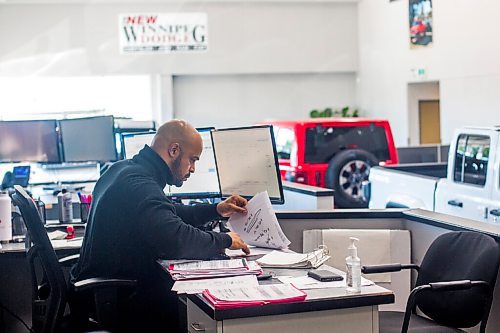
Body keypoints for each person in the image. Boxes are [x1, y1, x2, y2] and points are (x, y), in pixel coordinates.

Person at [71, 119, 250, 332]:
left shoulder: (123, 169)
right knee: (192, 311)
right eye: (192, 160)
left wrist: (216, 210)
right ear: (174, 150)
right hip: (117, 298)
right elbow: (176, 239)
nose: (193, 169)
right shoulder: (140, 184)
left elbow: (168, 212)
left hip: (104, 290)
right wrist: (226, 240)